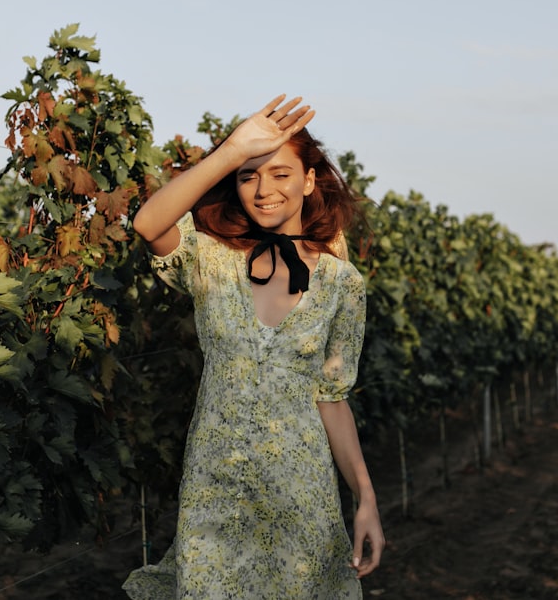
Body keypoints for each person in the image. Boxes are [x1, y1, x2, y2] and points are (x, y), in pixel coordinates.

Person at [123, 95, 385, 598]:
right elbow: (147, 225)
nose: (264, 190)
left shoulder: (341, 282)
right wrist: (232, 149)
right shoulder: (212, 259)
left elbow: (332, 398)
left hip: (300, 494)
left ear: (309, 181)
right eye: (249, 176)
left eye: (282, 174)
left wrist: (365, 498)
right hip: (214, 489)